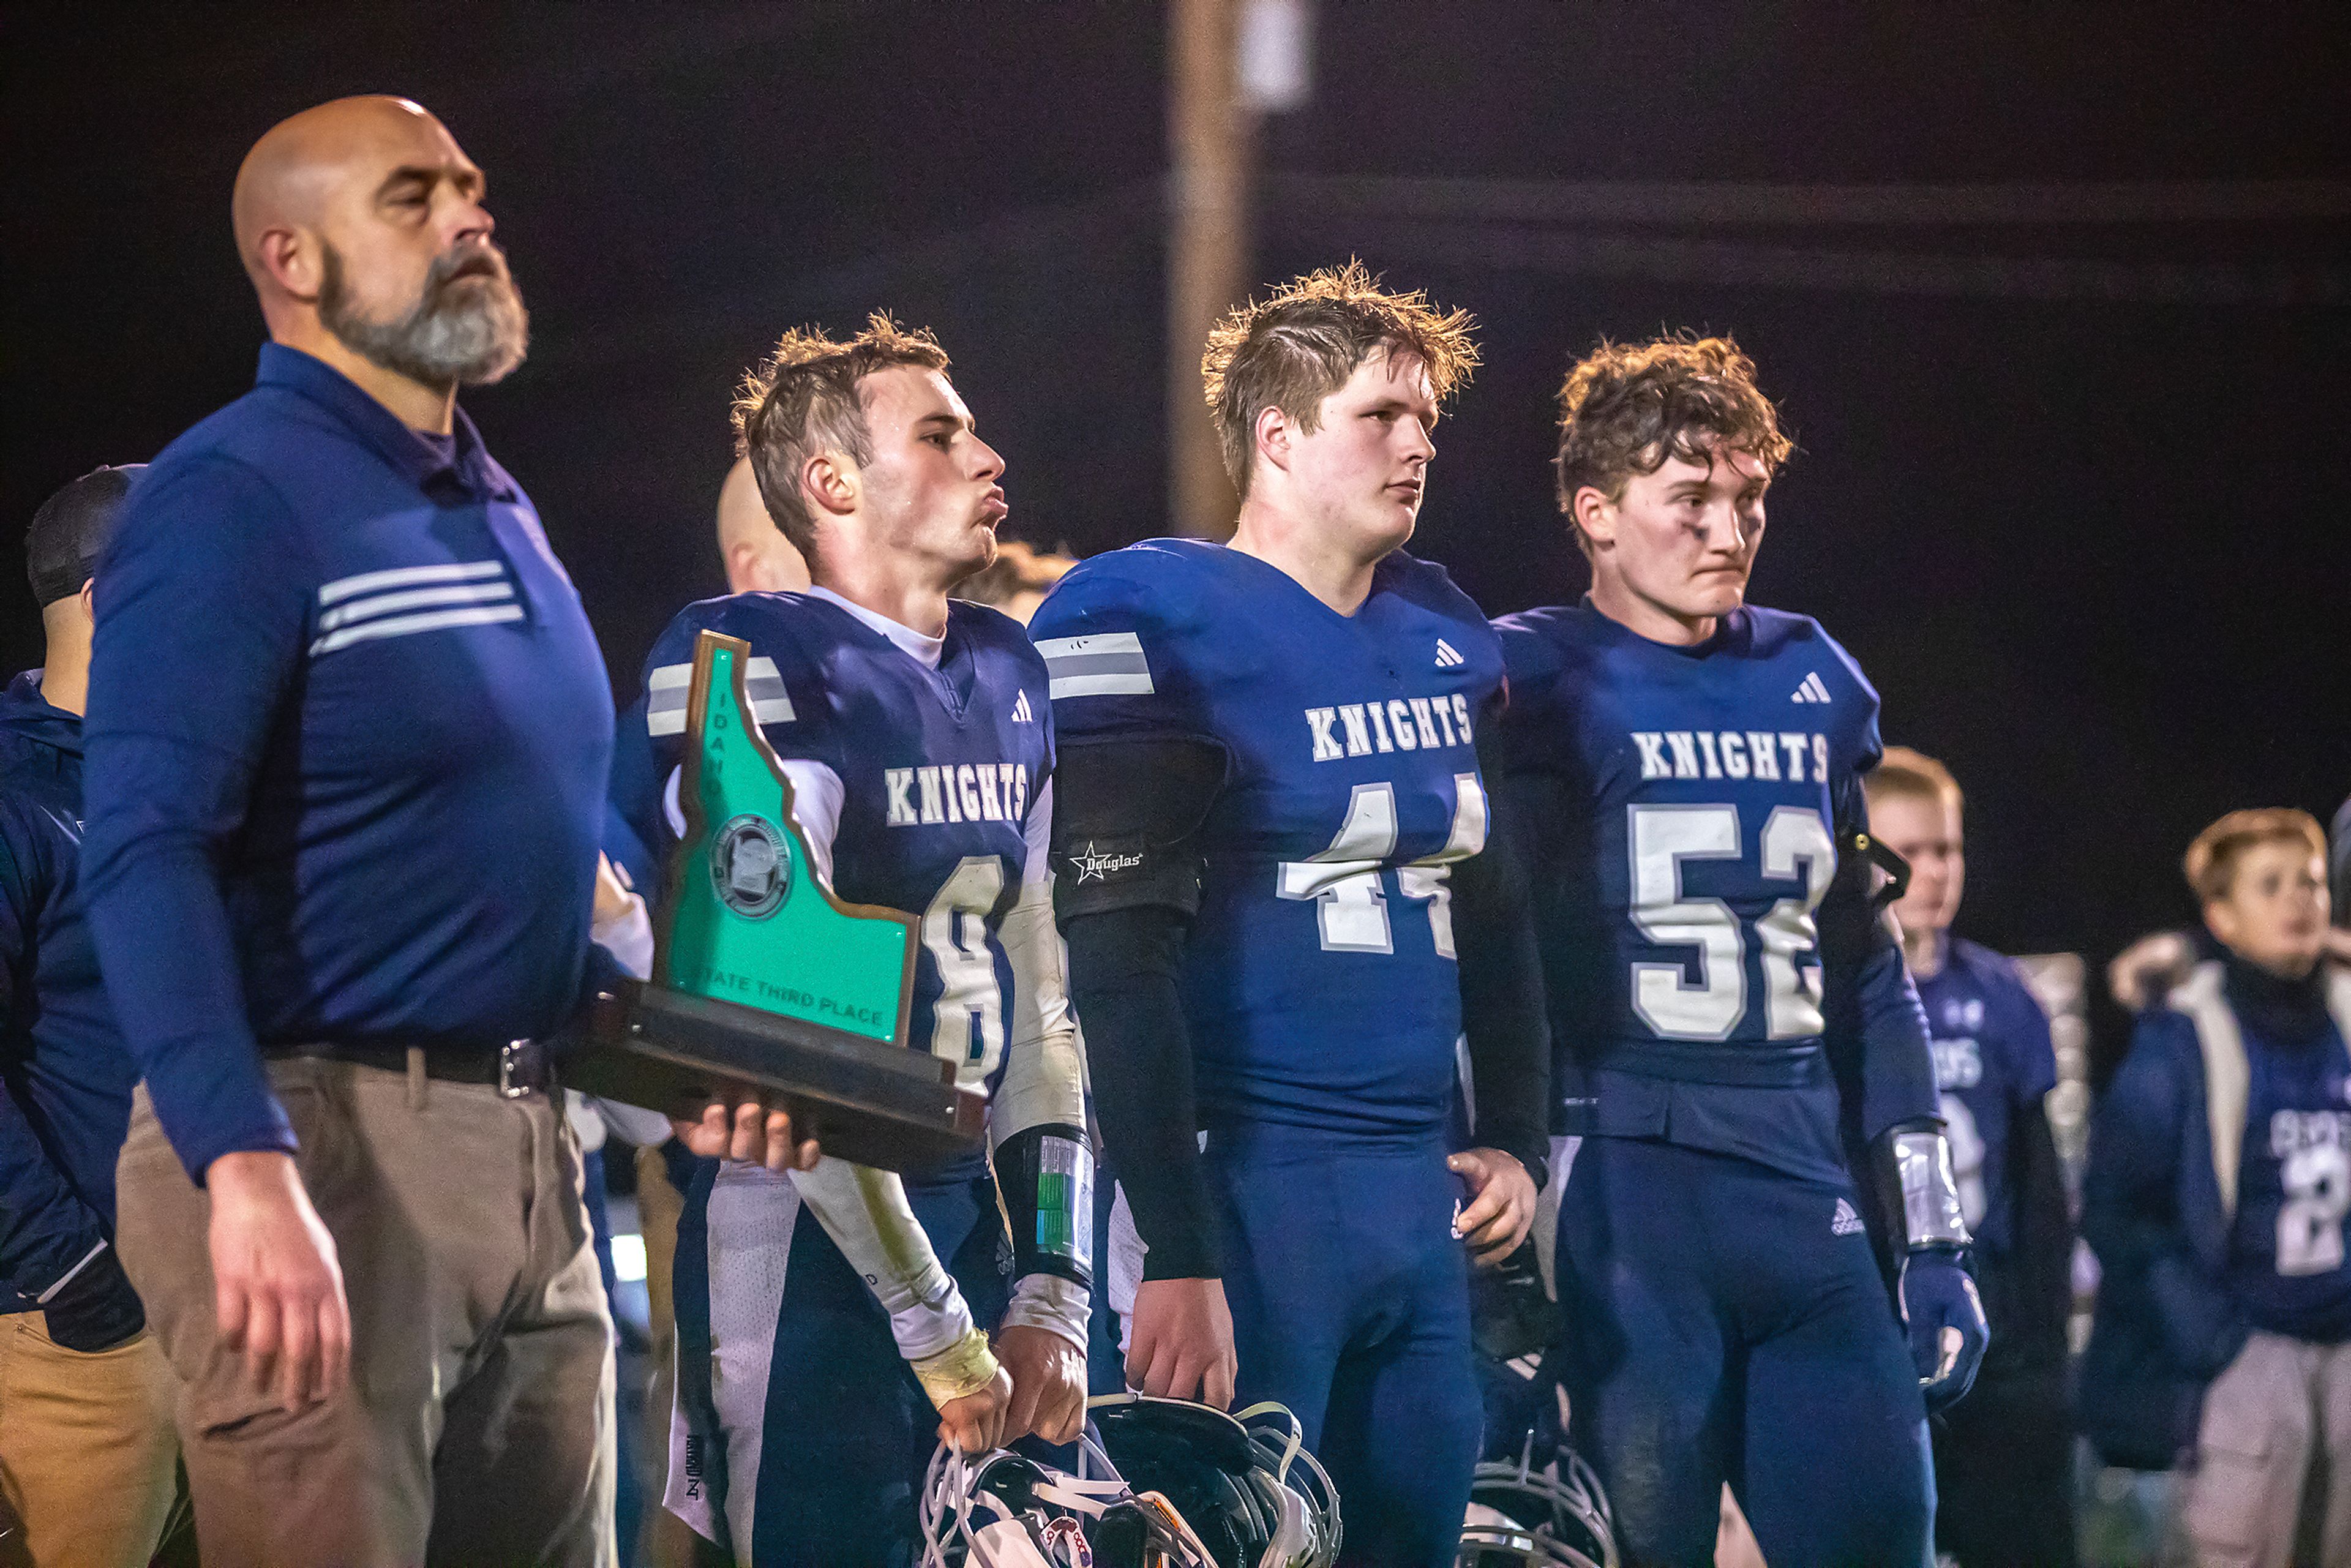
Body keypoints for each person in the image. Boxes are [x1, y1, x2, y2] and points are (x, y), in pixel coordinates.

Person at [77, 96, 803, 1566]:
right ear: (292, 258)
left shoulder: (481, 486)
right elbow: (145, 846)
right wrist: (243, 1159)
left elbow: (490, 873)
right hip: (328, 1138)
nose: (469, 216)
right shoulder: (237, 491)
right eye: (410, 198)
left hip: (533, 1140)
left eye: (469, 187)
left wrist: (674, 1065)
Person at [1032, 263, 1550, 1567]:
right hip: (1243, 1181)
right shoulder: (1148, 610)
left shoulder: (1446, 630)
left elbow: (1494, 910)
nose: (1419, 441)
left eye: (1427, 417)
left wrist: (1517, 1135)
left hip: (1414, 1198)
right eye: (1383, 413)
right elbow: (1117, 953)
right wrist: (1177, 1247)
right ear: (1278, 435)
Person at [1492, 334, 1987, 1566]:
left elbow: (1870, 975)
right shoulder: (1526, 677)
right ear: (1597, 514)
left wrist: (1931, 1231)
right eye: (1691, 500)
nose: (1729, 529)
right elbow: (1481, 958)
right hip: (1621, 1177)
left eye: (1749, 498)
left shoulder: (1810, 675)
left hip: (1802, 1175)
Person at [619, 315, 1090, 1566]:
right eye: (940, 434)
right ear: (832, 482)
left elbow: (1042, 1004)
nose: (989, 456)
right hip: (801, 1213)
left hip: (974, 1198)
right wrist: (933, 1323)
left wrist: (1055, 1282)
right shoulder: (753, 657)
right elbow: (787, 1015)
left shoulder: (1008, 665)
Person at [2081, 808, 2351, 1566]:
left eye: (2312, 881)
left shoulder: (2344, 1014)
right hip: (2246, 1351)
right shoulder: (2181, 1041)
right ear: (2221, 916)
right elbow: (2116, 1209)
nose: (2300, 900)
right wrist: (2211, 1336)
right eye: (2271, 886)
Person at [0, 466, 179, 1568]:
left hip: (200, 1326)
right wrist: (73, 1276)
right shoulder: (17, 796)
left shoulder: (168, 781)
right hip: (87, 1342)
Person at [1867, 746, 2076, 1567]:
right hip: (1881, 1320)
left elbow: (2039, 1181)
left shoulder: (2002, 994)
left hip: (1992, 1323)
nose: (1934, 869)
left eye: (1947, 848)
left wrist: (2042, 1335)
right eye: (1910, 850)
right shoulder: (1826, 992)